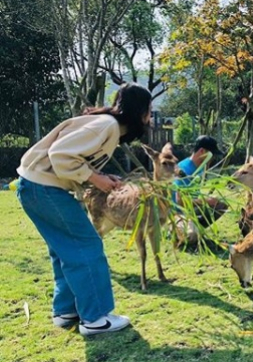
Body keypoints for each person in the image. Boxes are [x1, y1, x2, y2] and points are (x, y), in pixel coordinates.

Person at [15, 82, 152, 335]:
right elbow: (61, 154)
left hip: (35, 186)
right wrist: (96, 178)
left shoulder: (106, 126)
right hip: (44, 188)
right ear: (139, 111)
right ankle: (96, 318)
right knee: (86, 245)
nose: (150, 118)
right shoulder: (106, 125)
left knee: (65, 249)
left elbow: (76, 159)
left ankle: (66, 310)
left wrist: (101, 176)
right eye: (149, 111)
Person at [173, 135, 228, 232]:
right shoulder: (183, 169)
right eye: (212, 155)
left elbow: (194, 195)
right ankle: (181, 231)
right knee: (191, 234)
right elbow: (180, 202)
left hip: (192, 209)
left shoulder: (200, 168)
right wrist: (206, 201)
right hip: (178, 213)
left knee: (221, 206)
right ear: (202, 151)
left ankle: (197, 230)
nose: (213, 158)